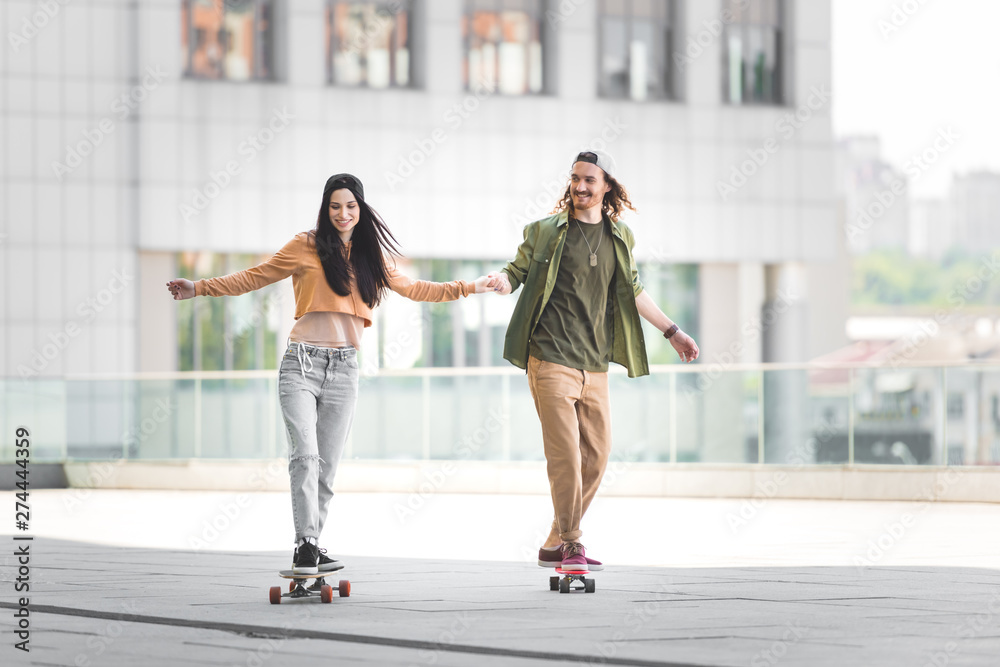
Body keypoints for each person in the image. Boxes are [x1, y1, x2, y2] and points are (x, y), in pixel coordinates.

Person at [167, 173, 491, 574]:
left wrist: (470, 287)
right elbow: (255, 276)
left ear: (361, 208)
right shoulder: (305, 245)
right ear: (326, 208)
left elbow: (416, 288)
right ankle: (305, 543)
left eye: (351, 206)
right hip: (300, 364)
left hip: (344, 369)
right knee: (305, 455)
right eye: (335, 206)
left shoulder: (371, 257)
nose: (343, 213)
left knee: (327, 467)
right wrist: (199, 287)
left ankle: (313, 541)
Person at [486, 150, 699, 571]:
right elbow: (517, 271)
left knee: (597, 458)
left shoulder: (620, 237)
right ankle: (572, 543)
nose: (579, 186)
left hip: (594, 364)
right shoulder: (546, 231)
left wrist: (672, 332)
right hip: (549, 359)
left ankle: (553, 540)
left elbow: (634, 290)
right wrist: (501, 280)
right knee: (565, 456)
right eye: (574, 178)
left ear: (607, 186)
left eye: (589, 180)